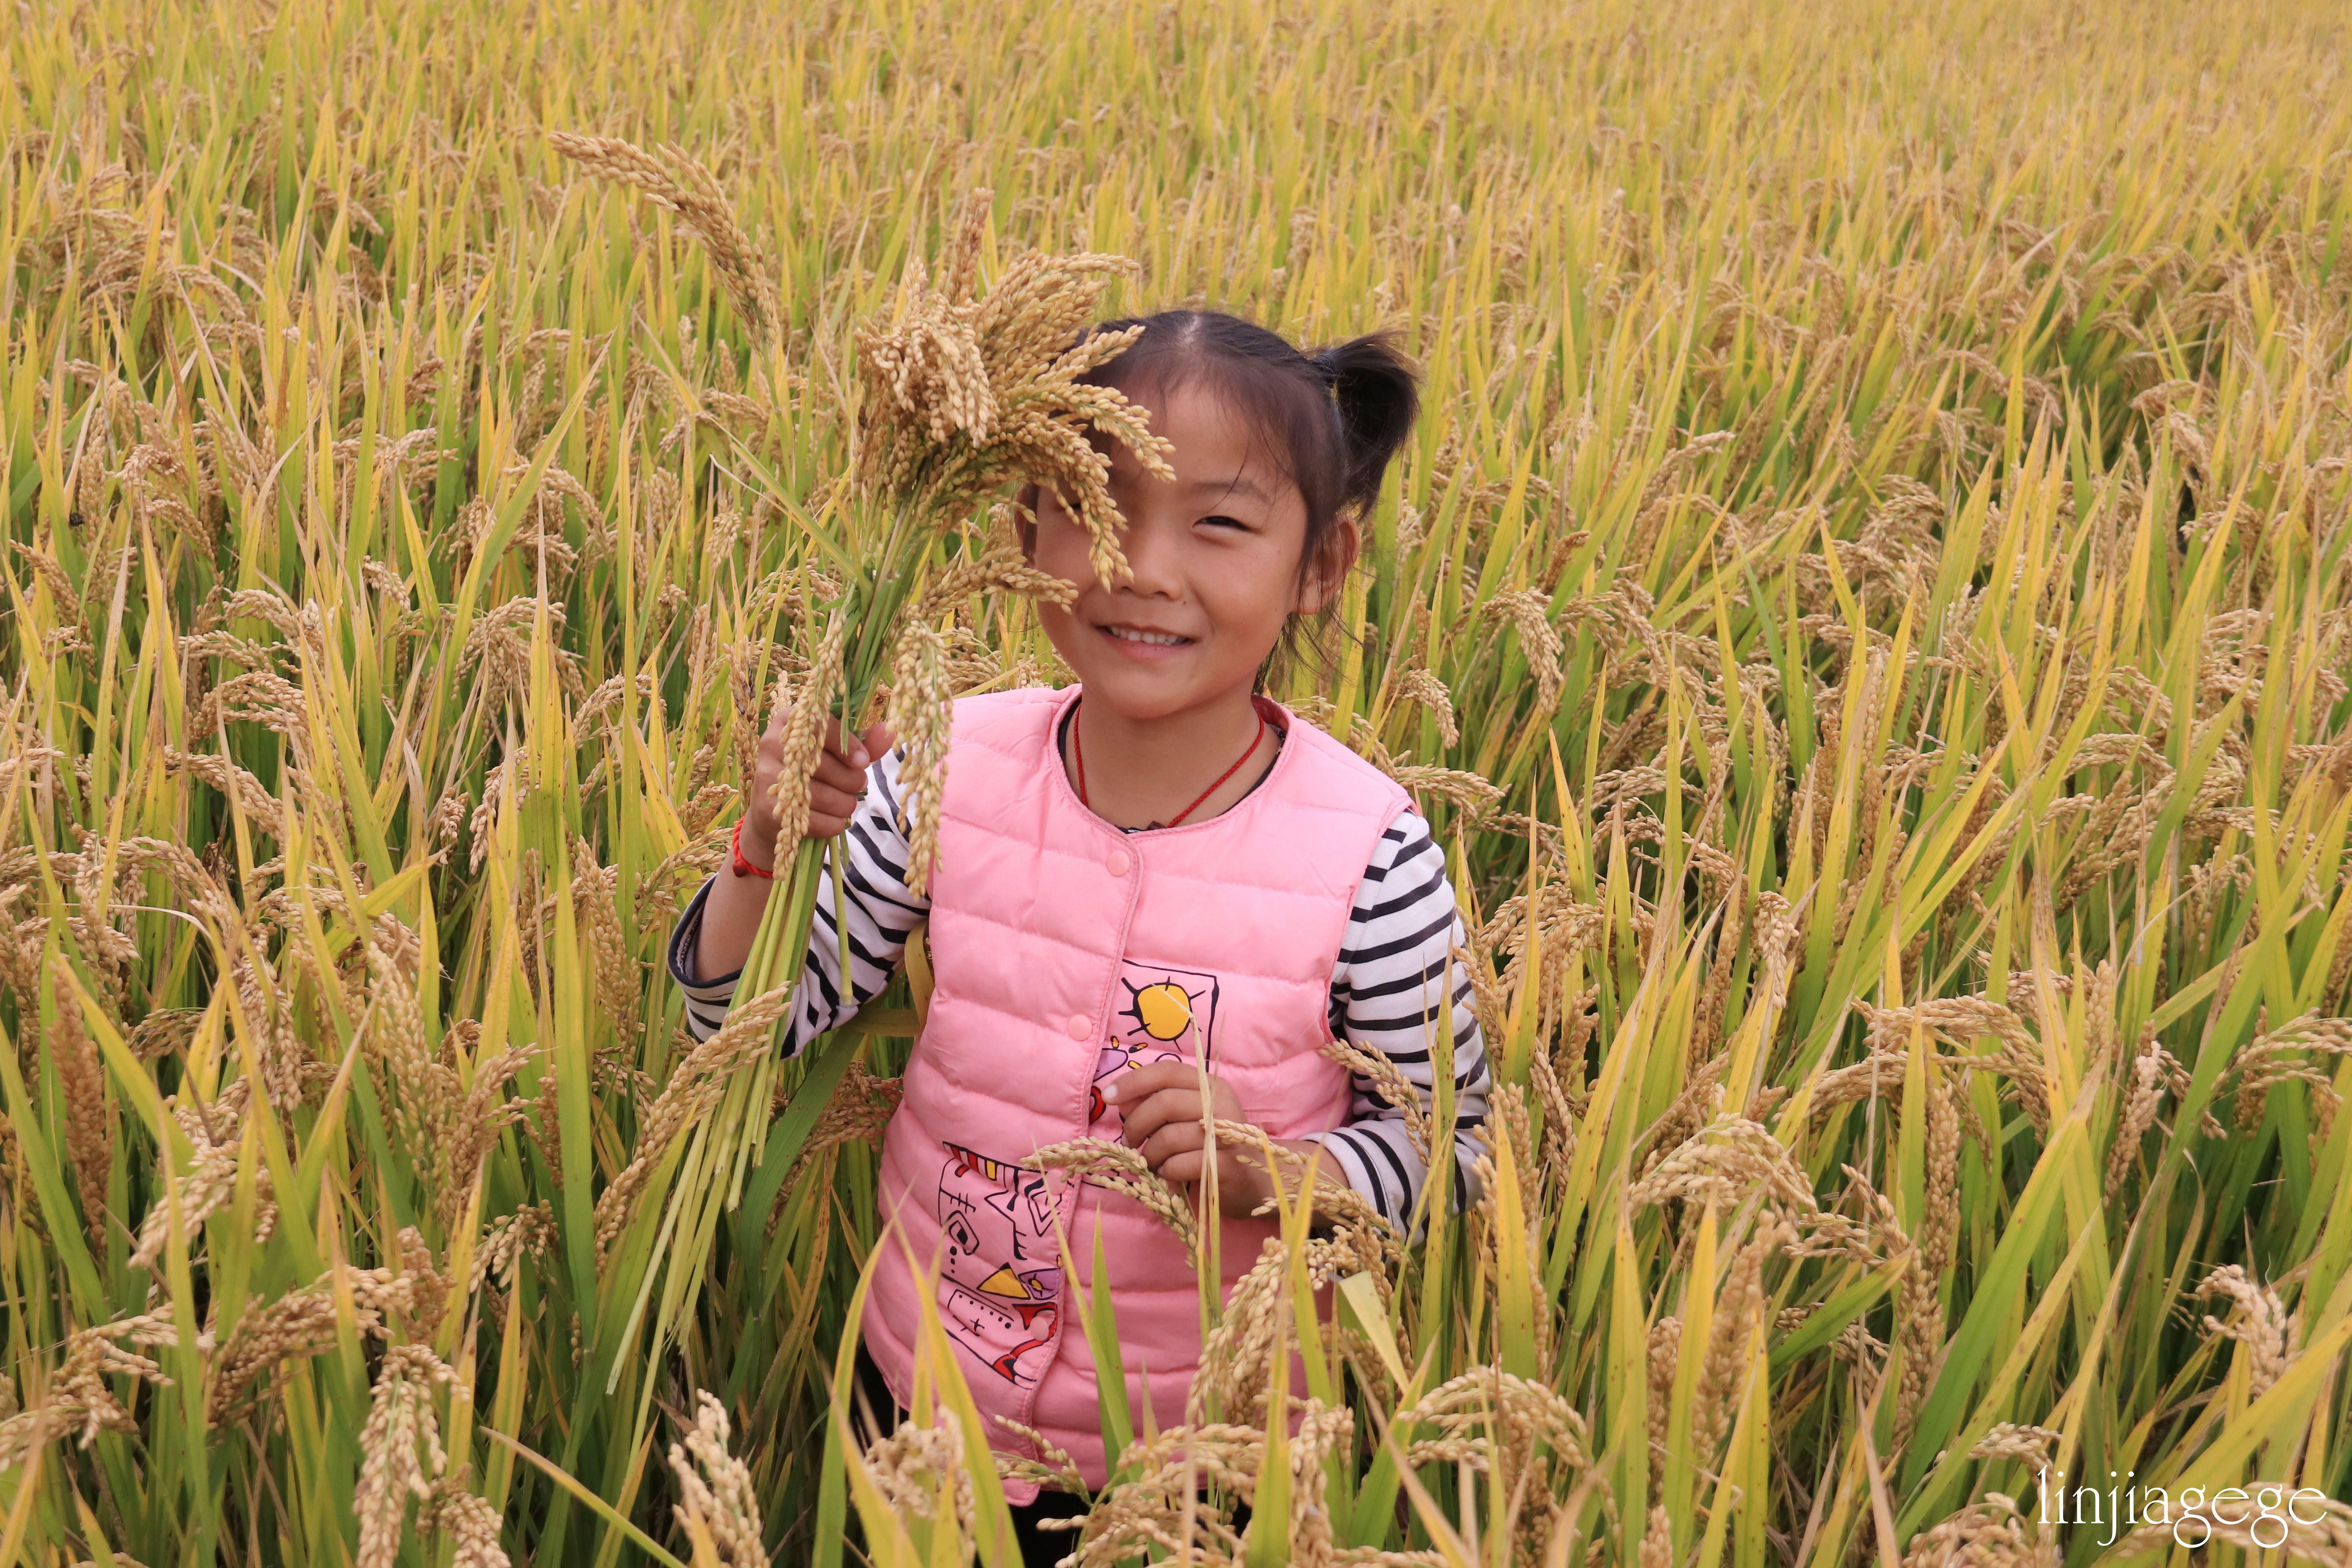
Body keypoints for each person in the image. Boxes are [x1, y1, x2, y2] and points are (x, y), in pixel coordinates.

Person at [668, 309, 1492, 1558]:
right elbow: (738, 1034)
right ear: (1022, 535)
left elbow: (1451, 1160)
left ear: (1321, 565)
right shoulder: (942, 773)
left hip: (1202, 1468)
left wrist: (1279, 1173)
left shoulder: (1372, 859)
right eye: (1090, 506)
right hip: (916, 1405)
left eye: (1219, 522)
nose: (1142, 568)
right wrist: (763, 852)